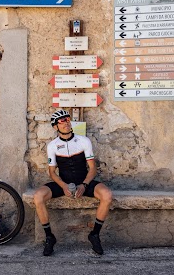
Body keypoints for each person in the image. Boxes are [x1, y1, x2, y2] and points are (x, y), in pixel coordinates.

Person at [33, 110, 112, 256]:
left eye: (67, 119)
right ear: (55, 126)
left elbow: (93, 168)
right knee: (38, 197)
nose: (66, 123)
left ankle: (94, 234)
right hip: (63, 183)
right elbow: (51, 172)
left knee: (107, 195)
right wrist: (63, 186)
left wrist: (84, 185)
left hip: (84, 181)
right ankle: (49, 237)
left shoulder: (83, 141)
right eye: (62, 121)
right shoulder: (52, 146)